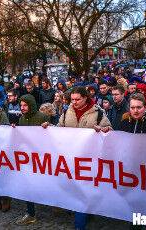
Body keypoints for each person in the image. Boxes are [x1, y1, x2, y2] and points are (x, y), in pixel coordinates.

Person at [42, 86, 112, 230]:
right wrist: (49, 127)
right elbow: (59, 128)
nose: (74, 102)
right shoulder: (67, 111)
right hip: (71, 159)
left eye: (77, 99)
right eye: (72, 99)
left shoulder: (98, 112)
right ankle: (85, 213)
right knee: (76, 190)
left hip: (89, 160)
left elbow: (109, 130)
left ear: (86, 98)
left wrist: (104, 130)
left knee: (83, 192)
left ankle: (80, 224)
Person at [15, 94, 49, 226]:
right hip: (28, 159)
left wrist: (49, 125)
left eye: (25, 105)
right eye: (21, 105)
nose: (22, 108)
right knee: (27, 184)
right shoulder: (21, 119)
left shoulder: (42, 117)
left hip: (42, 158)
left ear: (31, 105)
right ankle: (31, 213)